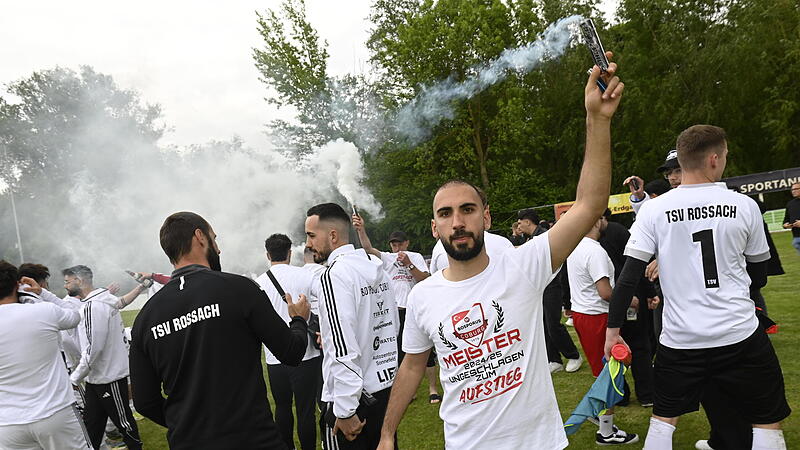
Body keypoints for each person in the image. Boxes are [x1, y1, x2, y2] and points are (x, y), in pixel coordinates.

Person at [377, 56, 625, 449]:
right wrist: (387, 432)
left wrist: (598, 119)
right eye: (446, 214)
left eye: (468, 209)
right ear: (434, 228)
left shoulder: (523, 266)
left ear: (486, 218)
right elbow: (411, 365)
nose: (458, 221)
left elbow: (589, 204)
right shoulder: (423, 296)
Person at [605, 125, 791, 450]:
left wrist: (612, 330)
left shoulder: (653, 209)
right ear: (715, 159)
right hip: (739, 333)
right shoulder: (743, 205)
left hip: (680, 340)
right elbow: (758, 276)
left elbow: (628, 277)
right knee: (765, 420)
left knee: (663, 423)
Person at [129, 211, 310, 449]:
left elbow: (144, 401)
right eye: (215, 239)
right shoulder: (239, 289)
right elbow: (291, 352)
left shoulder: (146, 318)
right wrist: (298, 320)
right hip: (253, 440)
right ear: (200, 237)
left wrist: (187, 424)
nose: (219, 249)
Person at [305, 203, 400, 449]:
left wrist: (345, 410)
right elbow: (392, 325)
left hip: (355, 402)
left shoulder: (333, 275)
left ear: (333, 235)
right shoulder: (376, 268)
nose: (308, 243)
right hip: (385, 392)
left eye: (312, 235)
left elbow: (342, 347)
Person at [0, 261, 91, 450]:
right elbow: (75, 315)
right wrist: (40, 294)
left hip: (8, 424)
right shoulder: (43, 311)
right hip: (56, 412)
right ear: (18, 285)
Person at [352, 218, 441, 403]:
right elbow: (368, 249)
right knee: (401, 352)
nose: (397, 247)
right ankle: (410, 391)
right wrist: (361, 229)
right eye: (394, 244)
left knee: (426, 352)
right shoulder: (387, 258)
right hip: (396, 312)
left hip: (415, 309)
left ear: (406, 243)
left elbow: (425, 279)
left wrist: (408, 263)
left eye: (400, 243)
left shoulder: (415, 256)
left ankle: (433, 388)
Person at [566, 216, 638, 444]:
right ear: (596, 221)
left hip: (584, 315)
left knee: (604, 373)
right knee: (610, 376)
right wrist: (630, 300)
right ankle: (606, 432)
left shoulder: (576, 247)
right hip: (596, 316)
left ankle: (601, 419)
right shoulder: (594, 251)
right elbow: (605, 292)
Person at [63, 265, 143, 450]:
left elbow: (93, 348)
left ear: (79, 281)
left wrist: (75, 378)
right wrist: (140, 288)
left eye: (68, 281)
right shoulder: (102, 298)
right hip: (96, 379)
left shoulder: (93, 306)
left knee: (125, 424)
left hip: (109, 377)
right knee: (92, 426)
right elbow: (121, 302)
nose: (65, 286)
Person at [255, 233, 322, 450]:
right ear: (290, 253)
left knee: (282, 409)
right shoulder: (305, 275)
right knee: (305, 410)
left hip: (276, 357)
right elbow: (323, 304)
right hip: (306, 354)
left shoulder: (259, 284)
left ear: (268, 254)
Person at [598, 210, 656, 407]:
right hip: (620, 298)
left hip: (628, 297)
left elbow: (636, 265)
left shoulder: (616, 233)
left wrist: (647, 292)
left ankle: (637, 394)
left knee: (635, 346)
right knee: (634, 347)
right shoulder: (590, 244)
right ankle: (636, 394)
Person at [624, 149, 682, 214]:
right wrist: (639, 196)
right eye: (669, 173)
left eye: (678, 171)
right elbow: (649, 218)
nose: (672, 177)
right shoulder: (666, 201)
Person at [783, 181, 800, 255]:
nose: (793, 191)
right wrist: (785, 225)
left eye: (796, 189)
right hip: (796, 238)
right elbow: (786, 219)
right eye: (792, 190)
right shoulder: (790, 204)